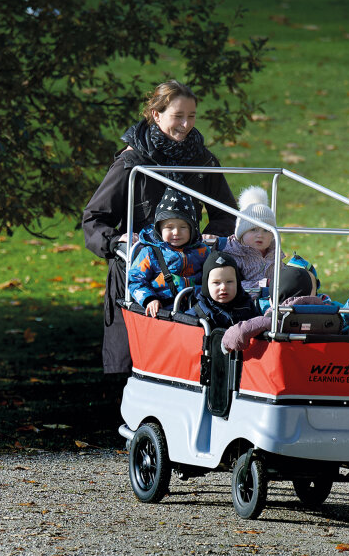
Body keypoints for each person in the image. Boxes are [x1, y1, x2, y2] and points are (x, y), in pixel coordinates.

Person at [81, 80, 237, 375]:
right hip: (139, 276)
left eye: (191, 116)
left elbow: (228, 214)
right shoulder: (131, 163)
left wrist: (211, 236)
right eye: (178, 116)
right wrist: (115, 242)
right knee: (133, 366)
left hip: (191, 275)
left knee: (187, 364)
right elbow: (94, 219)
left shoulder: (203, 160)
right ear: (156, 114)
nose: (186, 124)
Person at [128, 188, 209, 317]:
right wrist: (150, 299)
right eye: (169, 227)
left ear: (192, 229)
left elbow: (213, 275)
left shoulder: (202, 251)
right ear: (159, 229)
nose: (176, 232)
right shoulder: (150, 252)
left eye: (183, 227)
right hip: (164, 308)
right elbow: (135, 279)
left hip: (197, 306)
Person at [222, 267, 330, 352]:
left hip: (283, 370)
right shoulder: (329, 317)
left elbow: (240, 333)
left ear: (272, 300)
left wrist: (224, 344)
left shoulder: (275, 321)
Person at [218, 185, 280, 296]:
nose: (260, 235)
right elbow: (231, 285)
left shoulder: (274, 251)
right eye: (253, 229)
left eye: (266, 230)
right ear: (242, 233)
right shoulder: (234, 254)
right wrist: (263, 284)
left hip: (275, 299)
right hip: (246, 302)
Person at [187, 251, 260, 329]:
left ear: (237, 283)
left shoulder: (247, 305)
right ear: (206, 285)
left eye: (229, 281)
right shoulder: (199, 311)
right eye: (216, 283)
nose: (223, 287)